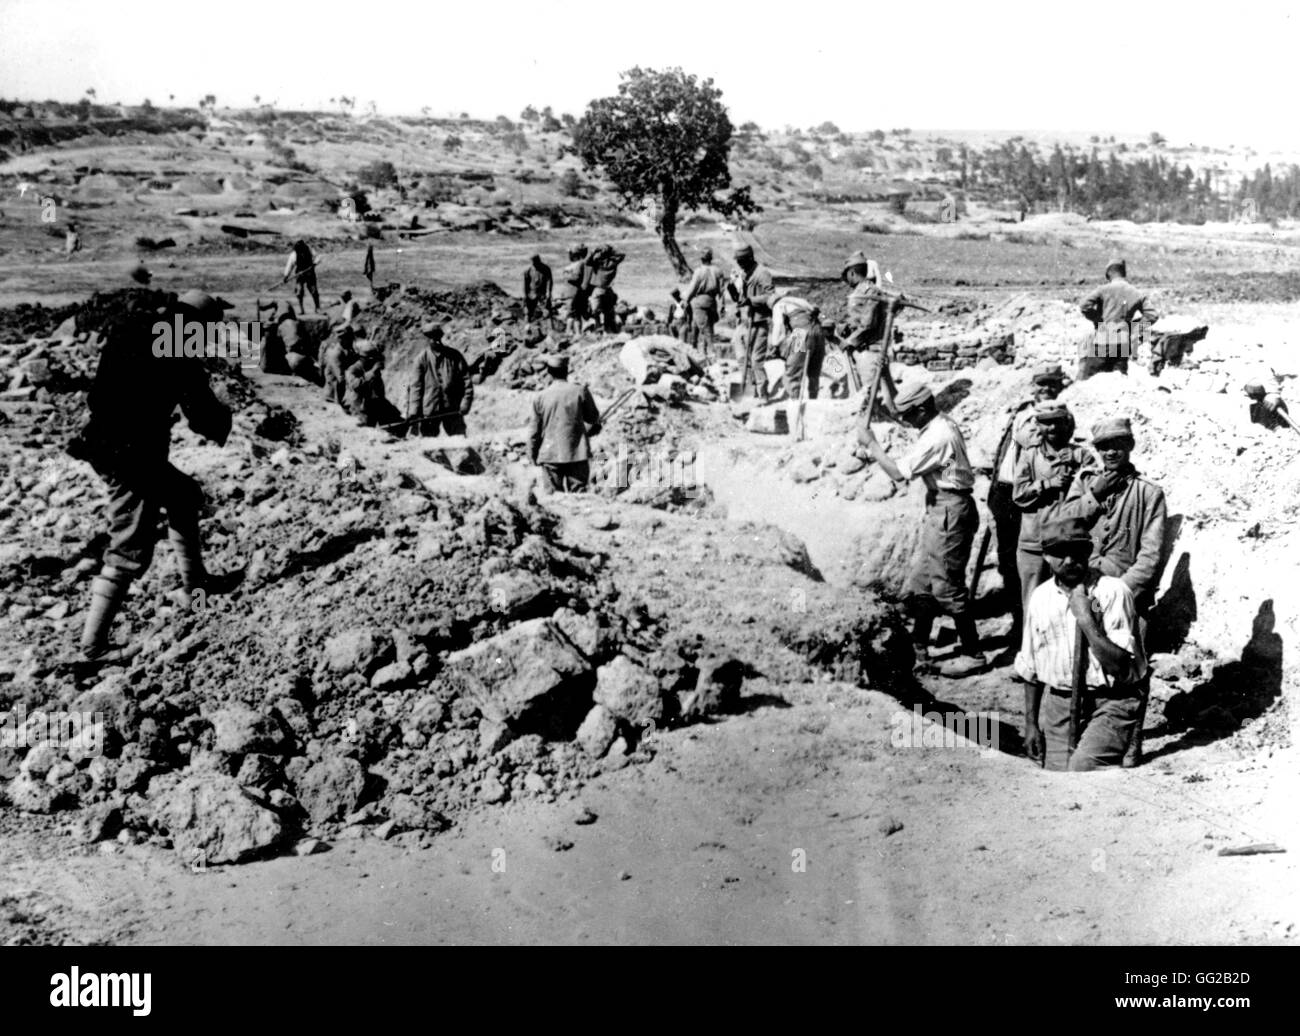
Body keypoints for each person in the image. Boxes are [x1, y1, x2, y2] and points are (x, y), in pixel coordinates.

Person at [70, 290, 241, 665]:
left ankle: (196, 589)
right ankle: (93, 648)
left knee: (184, 496)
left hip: (109, 443)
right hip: (131, 456)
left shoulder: (135, 326)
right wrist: (225, 423)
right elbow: (200, 409)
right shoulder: (177, 344)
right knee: (130, 544)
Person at [1058, 417, 1169, 766]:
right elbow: (1064, 523)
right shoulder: (1086, 484)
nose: (1110, 452)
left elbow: (1150, 555)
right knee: (1086, 661)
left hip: (1128, 593)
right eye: (1103, 446)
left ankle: (1133, 742)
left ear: (1130, 447)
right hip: (1085, 587)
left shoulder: (1149, 494)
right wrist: (1095, 495)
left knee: (1134, 666)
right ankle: (1090, 733)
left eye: (1117, 445)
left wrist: (1121, 592)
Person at [856, 381, 986, 677]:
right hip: (941, 507)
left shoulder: (937, 436)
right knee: (925, 578)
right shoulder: (935, 425)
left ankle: (973, 653)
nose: (906, 421)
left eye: (909, 415)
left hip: (950, 512)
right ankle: (919, 646)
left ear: (923, 409)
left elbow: (899, 475)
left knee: (947, 585)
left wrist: (872, 444)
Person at [1017, 515, 1147, 771]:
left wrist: (1087, 620)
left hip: (1110, 703)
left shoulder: (1111, 592)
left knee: (1081, 770)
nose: (1069, 561)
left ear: (1088, 553)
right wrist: (1031, 724)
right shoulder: (1040, 598)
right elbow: (1029, 667)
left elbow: (1124, 669)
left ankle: (1128, 737)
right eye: (1059, 554)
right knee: (1054, 776)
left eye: (1076, 553)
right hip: (1060, 704)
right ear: (1045, 556)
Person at [988, 363, 1068, 649]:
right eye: (1040, 384)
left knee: (1024, 561)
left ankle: (1026, 628)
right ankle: (1017, 622)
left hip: (1026, 495)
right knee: (1008, 561)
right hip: (1004, 489)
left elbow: (1032, 443)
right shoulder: (1022, 411)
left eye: (1051, 384)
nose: (1045, 389)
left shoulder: (1050, 417)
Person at [1012, 400, 1089, 639]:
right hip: (1034, 541)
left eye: (1057, 422)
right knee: (1033, 601)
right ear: (1038, 425)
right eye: (1046, 423)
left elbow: (1095, 488)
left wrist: (1076, 472)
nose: (1052, 429)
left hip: (1068, 544)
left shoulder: (1081, 454)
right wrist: (1047, 484)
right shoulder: (1029, 455)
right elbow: (1018, 496)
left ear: (1067, 424)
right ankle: (1031, 659)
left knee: (1070, 601)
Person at [528, 353, 602, 492]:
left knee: (554, 501)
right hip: (577, 453)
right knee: (579, 498)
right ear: (566, 371)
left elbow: (534, 431)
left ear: (549, 372)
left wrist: (532, 454)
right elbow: (593, 418)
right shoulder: (580, 391)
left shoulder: (540, 397)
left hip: (550, 454)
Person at [1078, 256, 1158, 380]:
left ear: (1108, 274)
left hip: (1103, 339)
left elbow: (1084, 305)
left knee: (1088, 379)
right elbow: (1152, 315)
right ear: (1124, 273)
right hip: (1124, 342)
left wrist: (1099, 320)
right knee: (1119, 380)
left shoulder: (1103, 290)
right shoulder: (1136, 292)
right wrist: (1133, 328)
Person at [841, 250, 899, 411]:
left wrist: (850, 341)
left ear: (852, 273)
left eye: (846, 275)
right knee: (883, 393)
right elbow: (859, 319)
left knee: (871, 394)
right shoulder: (861, 291)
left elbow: (868, 324)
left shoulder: (869, 292)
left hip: (870, 351)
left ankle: (876, 425)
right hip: (866, 349)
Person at [727, 243, 777, 400]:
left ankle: (763, 394)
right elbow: (739, 299)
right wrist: (731, 287)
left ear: (750, 258)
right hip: (743, 322)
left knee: (756, 360)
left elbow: (771, 296)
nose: (739, 264)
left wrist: (751, 300)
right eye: (738, 261)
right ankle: (749, 388)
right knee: (742, 358)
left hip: (758, 322)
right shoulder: (743, 274)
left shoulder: (762, 274)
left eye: (742, 260)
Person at [406, 322, 473, 436]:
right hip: (430, 411)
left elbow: (466, 381)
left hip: (452, 409)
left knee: (459, 439)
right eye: (431, 338)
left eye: (437, 337)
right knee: (429, 443)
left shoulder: (454, 356)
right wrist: (414, 412)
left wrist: (465, 402)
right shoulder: (421, 359)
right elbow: (416, 387)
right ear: (427, 340)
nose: (435, 341)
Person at [771, 294, 825, 400]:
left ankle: (794, 402)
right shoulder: (799, 301)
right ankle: (813, 400)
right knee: (814, 371)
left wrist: (775, 344)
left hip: (800, 333)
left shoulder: (778, 305)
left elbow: (778, 326)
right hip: (819, 332)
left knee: (792, 371)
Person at [681, 248, 726, 354]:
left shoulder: (699, 272)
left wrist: (686, 299)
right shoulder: (718, 271)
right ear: (711, 258)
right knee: (703, 326)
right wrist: (722, 305)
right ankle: (698, 350)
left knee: (706, 331)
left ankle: (711, 353)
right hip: (712, 302)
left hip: (700, 302)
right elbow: (722, 291)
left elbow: (693, 288)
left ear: (701, 259)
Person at [343, 341, 396, 427]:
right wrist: (371, 373)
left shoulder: (372, 368)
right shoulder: (353, 369)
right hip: (358, 406)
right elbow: (355, 385)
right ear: (365, 359)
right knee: (367, 425)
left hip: (373, 403)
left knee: (395, 418)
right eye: (373, 359)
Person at [586, 245, 625, 332]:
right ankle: (608, 329)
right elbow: (622, 255)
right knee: (608, 311)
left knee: (595, 311)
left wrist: (595, 250)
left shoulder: (597, 263)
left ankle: (598, 326)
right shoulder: (612, 263)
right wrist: (611, 250)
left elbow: (587, 261)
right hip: (607, 289)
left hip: (597, 289)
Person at [321, 326, 357, 407]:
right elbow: (340, 377)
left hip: (338, 392)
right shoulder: (336, 353)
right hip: (333, 395)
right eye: (350, 339)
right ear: (342, 339)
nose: (352, 341)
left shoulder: (344, 349)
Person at [557, 246, 589, 336]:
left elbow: (576, 277)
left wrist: (566, 274)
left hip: (574, 292)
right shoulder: (577, 264)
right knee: (574, 314)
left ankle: (571, 332)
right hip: (571, 291)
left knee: (572, 313)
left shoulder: (579, 264)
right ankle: (575, 333)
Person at [284, 239, 320, 313]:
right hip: (300, 274)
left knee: (313, 291)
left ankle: (317, 308)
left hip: (310, 273)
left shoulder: (309, 250)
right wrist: (286, 276)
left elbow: (318, 257)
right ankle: (301, 309)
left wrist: (314, 264)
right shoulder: (294, 254)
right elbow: (289, 266)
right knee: (299, 292)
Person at [524, 254, 553, 324]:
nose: (533, 263)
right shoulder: (528, 270)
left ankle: (550, 330)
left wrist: (549, 292)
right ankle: (527, 327)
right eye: (532, 262)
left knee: (547, 312)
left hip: (542, 293)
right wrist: (526, 294)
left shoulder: (545, 268)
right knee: (528, 312)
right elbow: (526, 284)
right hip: (532, 293)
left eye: (534, 261)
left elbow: (549, 281)